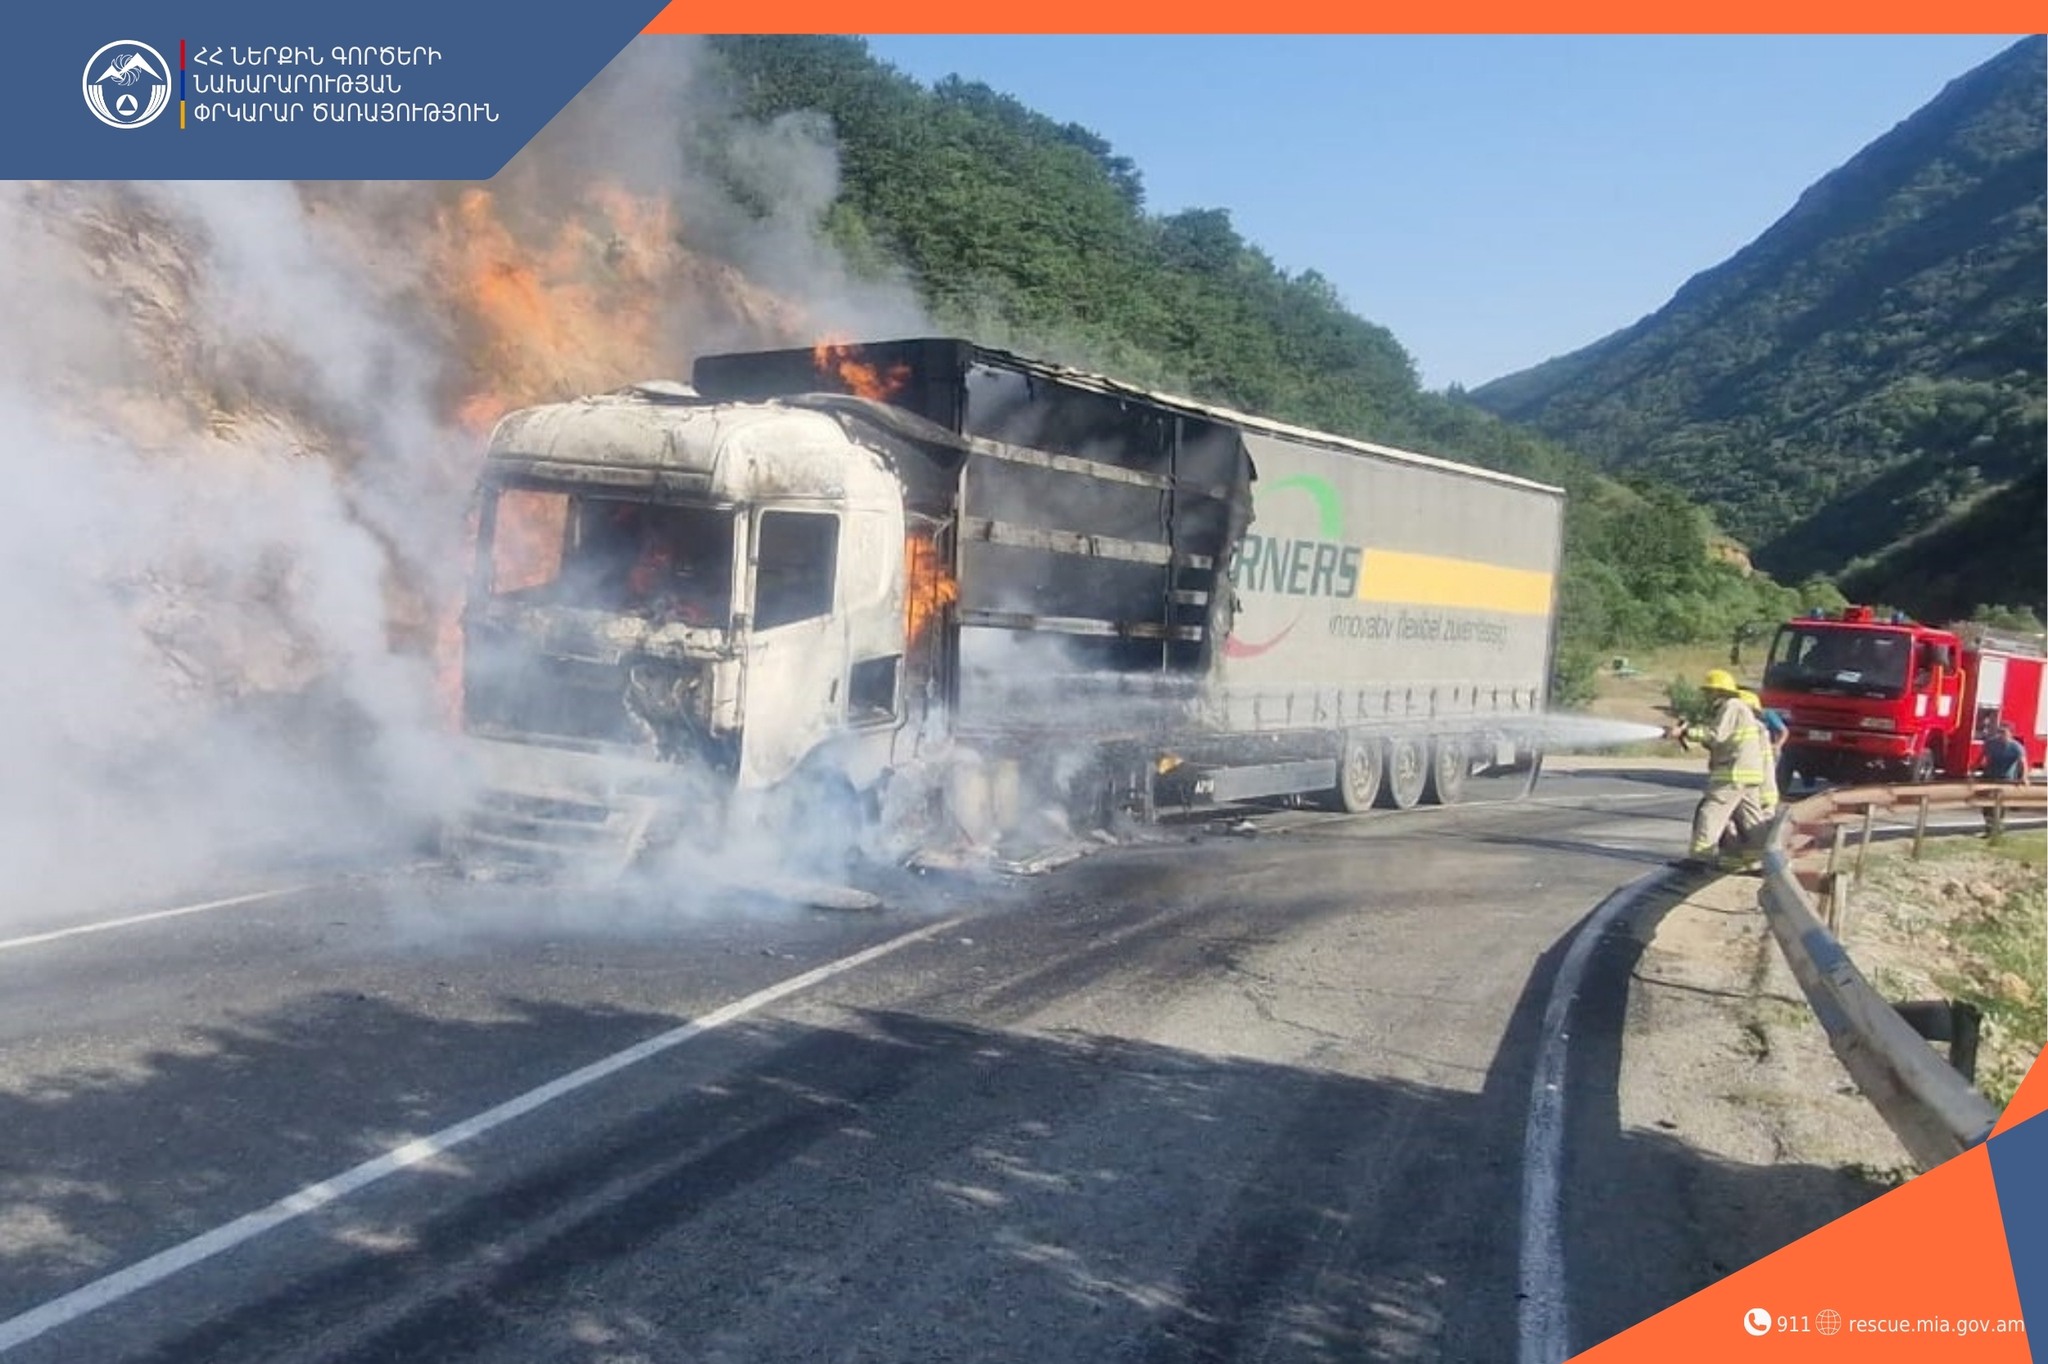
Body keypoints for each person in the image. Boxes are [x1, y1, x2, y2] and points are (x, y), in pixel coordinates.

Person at [1665, 668, 1770, 871]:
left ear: (1718, 691)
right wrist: (1690, 735)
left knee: (1711, 812)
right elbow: (1722, 740)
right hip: (1749, 772)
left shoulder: (1732, 706)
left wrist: (1686, 732)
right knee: (1751, 821)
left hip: (1734, 772)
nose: (1706, 695)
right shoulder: (1738, 708)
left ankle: (1699, 858)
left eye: (1708, 691)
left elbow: (1716, 735)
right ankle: (1759, 862)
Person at [1975, 723, 2031, 836]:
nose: (2000, 735)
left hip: (2005, 780)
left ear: (2010, 734)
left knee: (2000, 804)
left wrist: (2024, 777)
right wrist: (1973, 770)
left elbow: (2023, 763)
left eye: (2004, 732)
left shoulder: (2016, 747)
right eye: (1999, 732)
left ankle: (1997, 827)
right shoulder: (1991, 743)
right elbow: (1981, 757)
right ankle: (1989, 828)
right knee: (1986, 804)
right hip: (1989, 777)